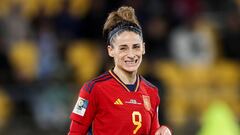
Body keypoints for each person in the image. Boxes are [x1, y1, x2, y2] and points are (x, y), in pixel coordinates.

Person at [68, 6, 172, 135]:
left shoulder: (152, 92)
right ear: (111, 50)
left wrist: (162, 130)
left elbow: (153, 132)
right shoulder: (93, 89)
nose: (131, 54)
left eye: (135, 47)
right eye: (123, 48)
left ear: (143, 48)